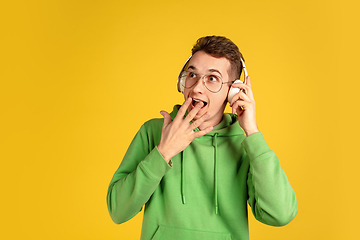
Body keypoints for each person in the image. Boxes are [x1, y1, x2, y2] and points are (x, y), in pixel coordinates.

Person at [107, 36, 298, 240]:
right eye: (192, 74)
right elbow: (118, 211)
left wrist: (252, 132)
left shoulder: (245, 145)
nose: (196, 88)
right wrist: (163, 152)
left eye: (212, 78)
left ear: (233, 91)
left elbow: (281, 215)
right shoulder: (154, 131)